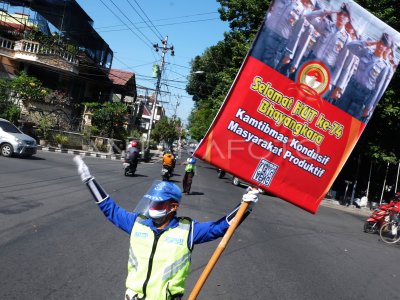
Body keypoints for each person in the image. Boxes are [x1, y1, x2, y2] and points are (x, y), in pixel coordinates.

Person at [73, 155, 258, 300]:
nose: (153, 208)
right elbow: (109, 209)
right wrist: (89, 180)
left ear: (173, 207)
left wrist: (245, 207)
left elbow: (220, 227)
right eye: (152, 202)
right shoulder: (137, 223)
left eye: (159, 204)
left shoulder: (187, 231)